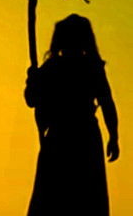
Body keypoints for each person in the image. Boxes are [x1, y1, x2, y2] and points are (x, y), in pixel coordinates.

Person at [25, 14, 119, 215]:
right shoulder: (85, 67)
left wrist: (114, 136)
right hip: (75, 136)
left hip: (68, 136)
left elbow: (106, 102)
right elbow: (33, 99)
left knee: (60, 197)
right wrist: (32, 80)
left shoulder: (61, 67)